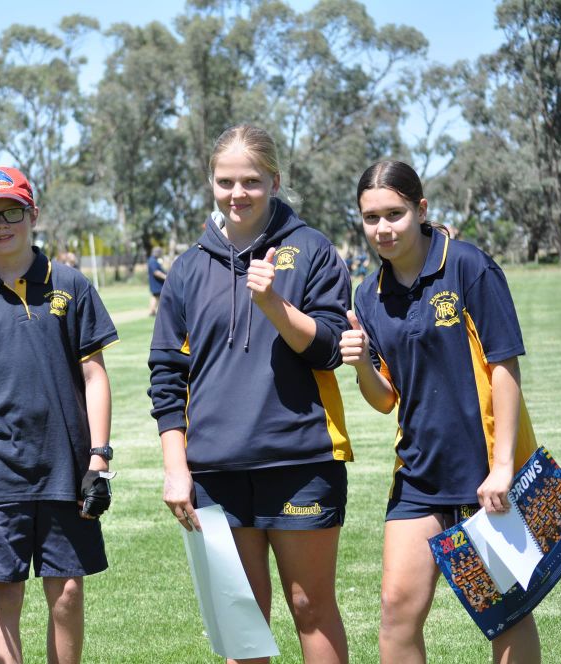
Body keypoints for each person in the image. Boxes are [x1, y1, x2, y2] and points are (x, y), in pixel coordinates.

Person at [149, 125, 353, 664]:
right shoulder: (189, 267)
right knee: (242, 617)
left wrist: (275, 307)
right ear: (211, 183)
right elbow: (167, 376)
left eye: (251, 181)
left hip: (301, 458)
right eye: (225, 181)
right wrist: (177, 468)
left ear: (275, 181)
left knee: (309, 605)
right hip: (216, 471)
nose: (237, 193)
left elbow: (332, 348)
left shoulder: (311, 249)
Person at [340, 160, 541, 664]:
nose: (382, 228)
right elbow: (385, 398)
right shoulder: (368, 295)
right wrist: (362, 362)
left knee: (505, 612)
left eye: (394, 213)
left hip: (485, 474)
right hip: (419, 476)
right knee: (396, 609)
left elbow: (504, 365)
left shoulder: (467, 265)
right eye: (370, 218)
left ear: (420, 209)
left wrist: (502, 467)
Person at [0, 166, 118, 664]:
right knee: (4, 594)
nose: (3, 223)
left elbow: (95, 377)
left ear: (33, 214)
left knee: (67, 595)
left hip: (66, 466)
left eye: (13, 211)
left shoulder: (71, 284)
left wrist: (99, 461)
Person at [146, 246, 167, 316]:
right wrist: (166, 277)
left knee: (156, 297)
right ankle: (153, 311)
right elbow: (156, 272)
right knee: (157, 296)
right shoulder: (152, 261)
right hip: (156, 283)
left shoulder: (153, 260)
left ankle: (153, 311)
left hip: (157, 283)